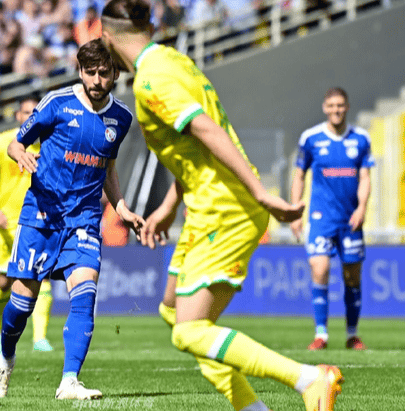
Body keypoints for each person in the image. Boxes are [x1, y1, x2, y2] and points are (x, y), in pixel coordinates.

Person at [100, 1, 344, 410]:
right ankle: (253, 408)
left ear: (106, 37)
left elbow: (206, 129)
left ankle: (308, 379)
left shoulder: (151, 81)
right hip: (207, 203)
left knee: (189, 331)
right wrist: (169, 206)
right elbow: (193, 146)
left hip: (225, 207)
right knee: (172, 311)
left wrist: (260, 192)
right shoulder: (173, 60)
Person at [0, 38, 143, 400]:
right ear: (80, 71)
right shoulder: (56, 104)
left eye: (103, 73)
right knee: (21, 306)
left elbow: (108, 168)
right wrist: (20, 154)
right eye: (90, 72)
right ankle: (5, 359)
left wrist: (121, 207)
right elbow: (16, 143)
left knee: (85, 293)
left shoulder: (121, 118)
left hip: (84, 220)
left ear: (115, 73)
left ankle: (69, 381)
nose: (96, 80)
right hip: (41, 217)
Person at [290, 87, 374, 351]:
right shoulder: (311, 138)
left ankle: (352, 334)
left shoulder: (361, 139)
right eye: (331, 106)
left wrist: (362, 208)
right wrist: (295, 211)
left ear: (347, 107)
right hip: (321, 219)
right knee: (320, 269)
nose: (336, 110)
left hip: (351, 221)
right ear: (324, 108)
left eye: (340, 105)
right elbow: (299, 175)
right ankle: (321, 334)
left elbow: (365, 177)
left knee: (352, 276)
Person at [0, 95, 55, 353]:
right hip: (5, 225)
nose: (30, 116)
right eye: (25, 112)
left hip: (37, 224)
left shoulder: (49, 143)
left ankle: (40, 338)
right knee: (3, 282)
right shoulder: (3, 142)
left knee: (42, 280)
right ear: (17, 116)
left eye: (35, 112)